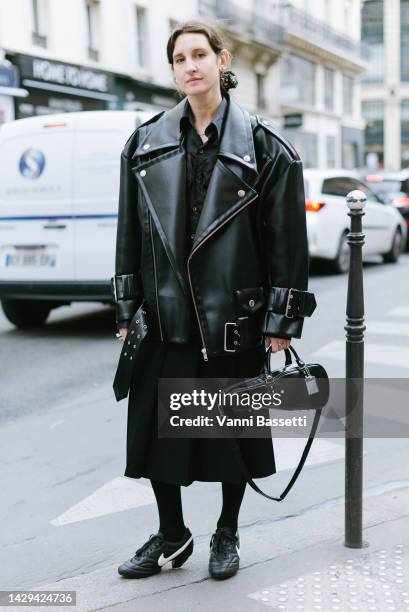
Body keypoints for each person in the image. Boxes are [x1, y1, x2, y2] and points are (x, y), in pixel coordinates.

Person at [111, 18, 315, 581]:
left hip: (234, 320)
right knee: (156, 437)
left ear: (223, 62)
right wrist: (128, 307)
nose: (191, 66)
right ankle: (173, 534)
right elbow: (129, 231)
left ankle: (227, 531)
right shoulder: (145, 142)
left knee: (229, 439)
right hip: (165, 315)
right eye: (180, 58)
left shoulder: (267, 149)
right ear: (173, 69)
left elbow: (286, 245)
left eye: (201, 54)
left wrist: (280, 321)